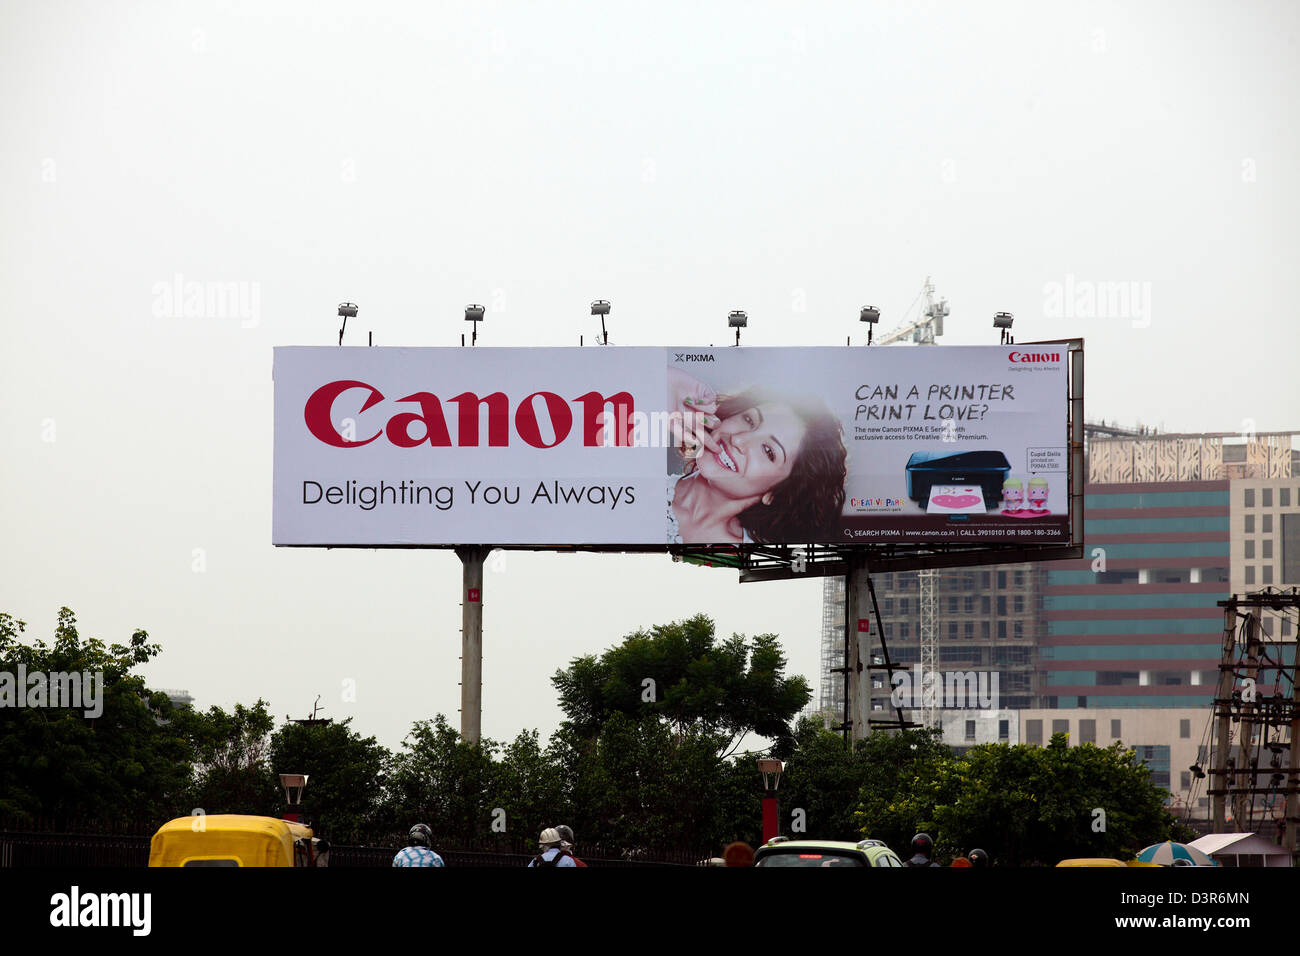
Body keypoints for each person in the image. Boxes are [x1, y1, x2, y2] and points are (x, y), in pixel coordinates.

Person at [667, 380, 847, 545]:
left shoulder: (753, 560)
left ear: (776, 493)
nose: (738, 440)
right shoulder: (643, 486)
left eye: (768, 451)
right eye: (748, 419)